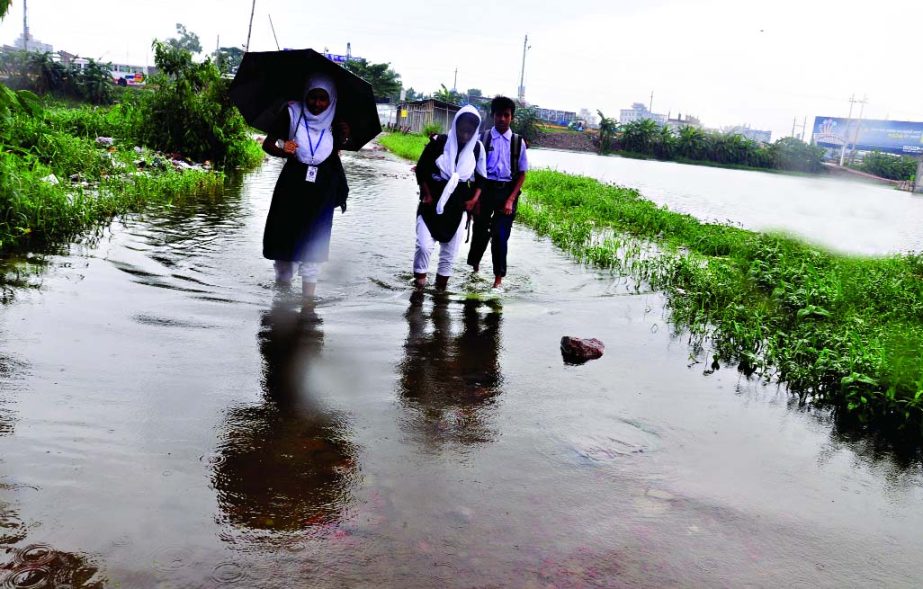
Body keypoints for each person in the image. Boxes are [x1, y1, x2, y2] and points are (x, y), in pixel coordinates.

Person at [261, 73, 350, 300]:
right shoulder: (291, 113)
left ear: (331, 100)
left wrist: (343, 138)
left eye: (323, 99)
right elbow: (267, 144)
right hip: (292, 188)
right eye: (313, 97)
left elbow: (333, 156)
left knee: (313, 253)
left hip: (321, 193)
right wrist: (284, 149)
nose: (317, 104)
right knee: (285, 252)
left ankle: (308, 310)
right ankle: (281, 304)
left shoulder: (336, 120)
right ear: (305, 95)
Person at [412, 105, 486, 291]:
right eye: (463, 128)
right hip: (431, 203)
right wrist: (427, 193)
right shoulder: (439, 142)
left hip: (458, 206)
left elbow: (482, 179)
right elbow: (421, 169)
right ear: (456, 124)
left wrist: (474, 199)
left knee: (449, 254)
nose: (465, 134)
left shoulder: (477, 149)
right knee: (424, 246)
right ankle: (419, 286)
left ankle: (440, 294)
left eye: (470, 130)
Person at [466, 96, 529, 289]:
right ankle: (475, 268)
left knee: (500, 237)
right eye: (498, 115)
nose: (502, 119)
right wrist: (474, 198)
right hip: (484, 192)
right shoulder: (482, 139)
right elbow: (472, 170)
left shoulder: (518, 143)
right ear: (493, 116)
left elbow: (522, 174)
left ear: (512, 118)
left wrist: (511, 199)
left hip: (506, 194)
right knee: (480, 234)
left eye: (506, 115)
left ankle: (498, 280)